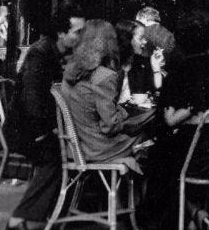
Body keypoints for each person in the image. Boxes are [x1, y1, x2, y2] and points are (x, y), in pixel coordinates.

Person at [139, 21, 209, 230]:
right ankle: (194, 221)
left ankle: (193, 216)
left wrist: (190, 109)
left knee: (163, 160)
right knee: (183, 156)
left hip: (197, 156)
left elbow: (170, 120)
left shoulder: (180, 71)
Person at [4, 5, 85, 230]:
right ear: (61, 33)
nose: (81, 37)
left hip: (44, 125)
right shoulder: (40, 54)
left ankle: (57, 211)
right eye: (77, 32)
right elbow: (32, 100)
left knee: (68, 150)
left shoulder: (60, 53)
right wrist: (44, 132)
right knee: (54, 159)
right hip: (25, 129)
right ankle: (16, 222)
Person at [60, 20, 152, 163]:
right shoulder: (104, 76)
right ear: (109, 43)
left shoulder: (70, 72)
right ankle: (135, 182)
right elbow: (110, 126)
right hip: (98, 150)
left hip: (74, 147)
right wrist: (123, 113)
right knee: (148, 136)